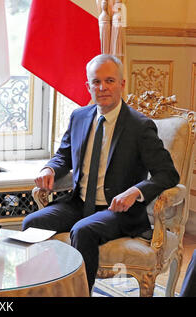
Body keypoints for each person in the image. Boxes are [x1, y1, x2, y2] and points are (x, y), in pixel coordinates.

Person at [22, 54, 179, 293]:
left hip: (117, 210)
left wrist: (135, 192)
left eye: (109, 81)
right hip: (79, 203)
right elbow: (63, 156)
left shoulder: (140, 126)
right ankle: (41, 289)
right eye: (96, 82)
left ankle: (81, 292)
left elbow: (167, 174)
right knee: (32, 222)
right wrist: (49, 168)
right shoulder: (79, 117)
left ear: (122, 84)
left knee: (84, 230)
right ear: (88, 86)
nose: (102, 87)